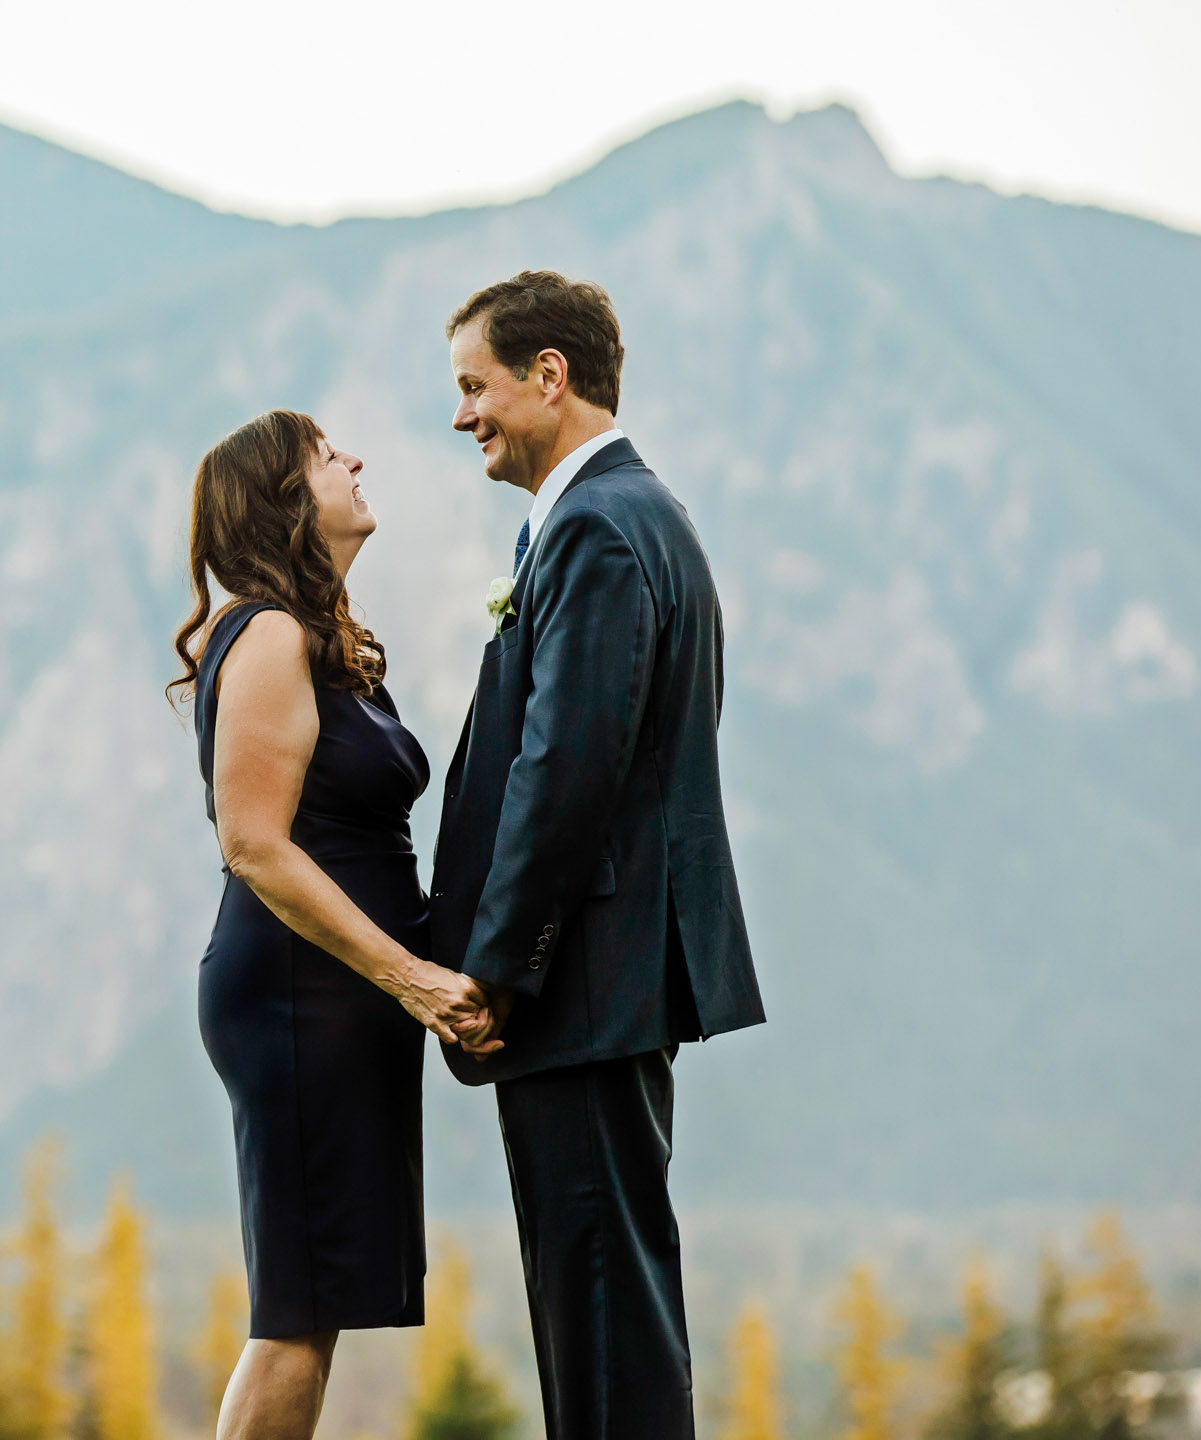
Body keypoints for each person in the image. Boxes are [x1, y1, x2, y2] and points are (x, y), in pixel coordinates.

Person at [429, 271, 767, 1438]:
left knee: (603, 1302)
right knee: (594, 1292)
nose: (463, 414)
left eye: (475, 386)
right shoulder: (632, 519)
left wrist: (498, 968)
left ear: (549, 377)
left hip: (582, 977)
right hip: (603, 973)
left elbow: (567, 773)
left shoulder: (599, 529)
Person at [168, 410, 499, 1440]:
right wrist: (409, 975)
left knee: (317, 1306)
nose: (354, 461)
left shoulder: (317, 636)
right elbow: (254, 844)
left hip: (340, 1000)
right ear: (283, 502)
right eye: (326, 457)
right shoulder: (265, 633)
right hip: (298, 997)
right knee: (297, 1314)